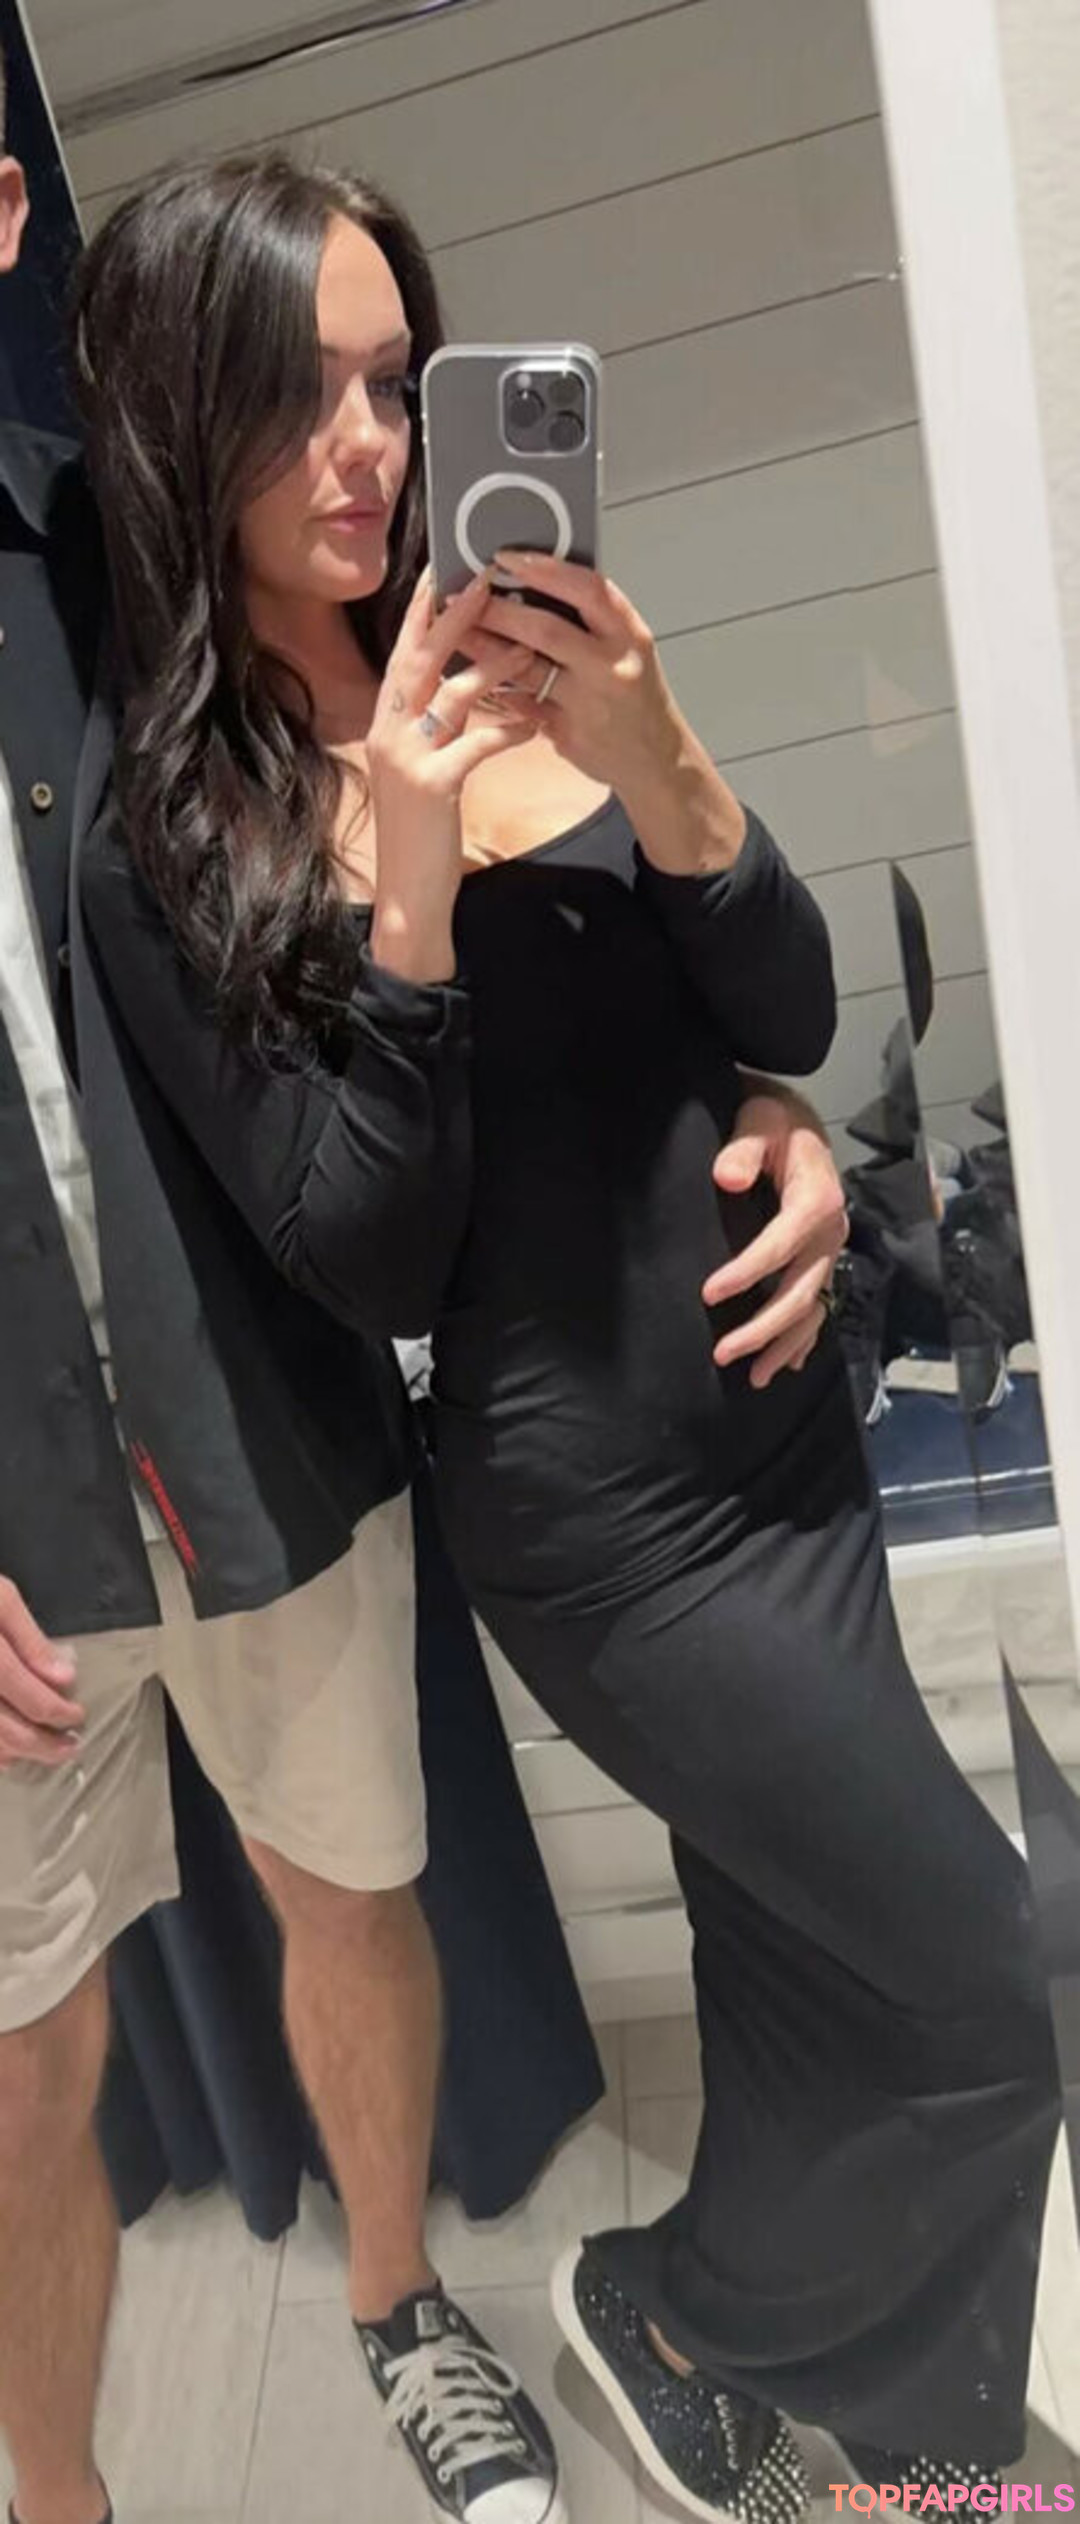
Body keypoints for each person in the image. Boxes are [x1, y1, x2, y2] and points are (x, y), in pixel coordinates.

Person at [70, 144, 1063, 2524]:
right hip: (606, 1519)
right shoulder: (167, 832)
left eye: (392, 381)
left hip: (785, 1428)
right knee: (995, 1976)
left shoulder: (533, 643)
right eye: (295, 393)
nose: (365, 448)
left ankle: (852, 2411)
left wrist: (663, 760)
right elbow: (368, 1255)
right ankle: (728, 2329)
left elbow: (774, 1004)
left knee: (812, 1968)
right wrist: (409, 891)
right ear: (180, 421)